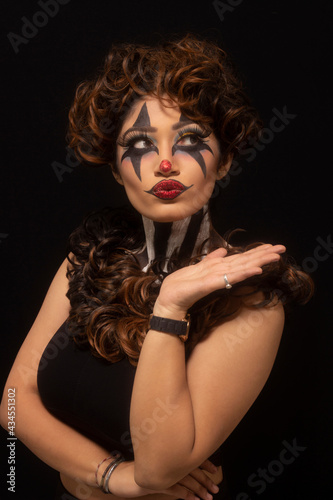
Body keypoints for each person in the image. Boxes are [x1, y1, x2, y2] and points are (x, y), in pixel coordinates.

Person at [0, 34, 313, 500]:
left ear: (224, 160)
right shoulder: (89, 256)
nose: (165, 162)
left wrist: (170, 306)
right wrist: (105, 478)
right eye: (140, 143)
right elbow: (10, 403)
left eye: (189, 139)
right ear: (114, 167)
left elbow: (159, 467)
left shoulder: (251, 301)